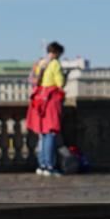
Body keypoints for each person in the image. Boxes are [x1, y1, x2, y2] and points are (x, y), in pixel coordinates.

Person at [26, 41, 67, 177]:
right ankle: (49, 166)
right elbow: (60, 83)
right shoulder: (55, 64)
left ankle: (41, 165)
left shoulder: (39, 63)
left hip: (38, 101)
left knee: (42, 135)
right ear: (57, 52)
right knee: (50, 134)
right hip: (50, 101)